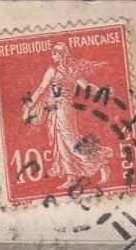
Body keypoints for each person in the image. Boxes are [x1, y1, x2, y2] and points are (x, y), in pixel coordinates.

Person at [22, 43, 113, 189]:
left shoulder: (53, 71)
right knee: (61, 143)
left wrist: (27, 107)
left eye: (54, 53)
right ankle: (71, 176)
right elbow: (88, 87)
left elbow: (40, 90)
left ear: (61, 54)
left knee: (71, 141)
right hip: (59, 109)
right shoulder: (71, 71)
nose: (52, 56)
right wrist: (102, 92)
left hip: (62, 109)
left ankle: (101, 163)